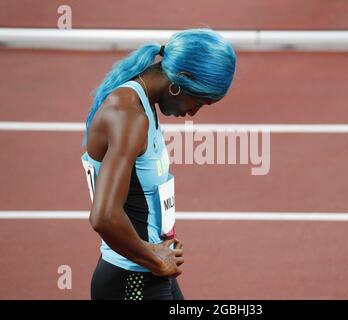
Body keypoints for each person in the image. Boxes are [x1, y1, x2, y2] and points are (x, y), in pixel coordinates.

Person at [80, 28, 237, 300]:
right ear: (180, 81)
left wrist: (159, 244)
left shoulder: (141, 106)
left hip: (144, 272)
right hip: (131, 283)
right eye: (199, 102)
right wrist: (155, 259)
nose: (192, 113)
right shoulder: (129, 116)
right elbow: (103, 216)